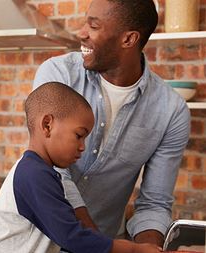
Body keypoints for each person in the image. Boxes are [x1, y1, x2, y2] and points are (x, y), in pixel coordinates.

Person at [33, 0, 190, 247]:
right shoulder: (58, 75)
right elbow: (53, 172)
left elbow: (154, 204)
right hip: (35, 242)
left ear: (128, 39)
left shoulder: (171, 111)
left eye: (93, 26)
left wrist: (149, 249)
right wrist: (104, 247)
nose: (81, 33)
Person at [0, 82, 161, 253]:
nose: (83, 146)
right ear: (47, 125)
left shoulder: (41, 172)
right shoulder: (33, 174)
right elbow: (72, 237)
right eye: (79, 135)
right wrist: (134, 250)